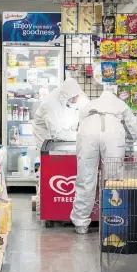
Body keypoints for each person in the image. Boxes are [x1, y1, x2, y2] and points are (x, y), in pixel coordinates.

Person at [70, 91, 137, 234]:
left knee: (85, 176)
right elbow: (133, 127)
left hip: (88, 132)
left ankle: (80, 223)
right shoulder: (121, 104)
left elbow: (80, 123)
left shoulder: (89, 104)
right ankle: (113, 219)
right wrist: (132, 140)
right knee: (113, 177)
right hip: (113, 132)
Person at [32, 78, 89, 217]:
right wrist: (80, 135)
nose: (76, 99)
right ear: (66, 96)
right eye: (73, 98)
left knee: (67, 165)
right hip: (46, 135)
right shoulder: (50, 104)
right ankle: (44, 205)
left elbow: (88, 109)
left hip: (68, 132)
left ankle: (67, 204)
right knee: (48, 167)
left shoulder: (78, 95)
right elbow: (56, 133)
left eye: (77, 97)